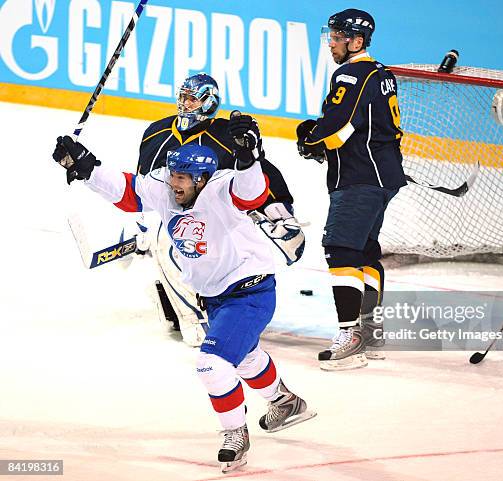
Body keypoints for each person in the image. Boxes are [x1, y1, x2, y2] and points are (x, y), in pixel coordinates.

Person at [52, 117, 315, 472]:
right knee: (245, 357)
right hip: (215, 295)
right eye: (172, 174)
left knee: (211, 364)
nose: (173, 183)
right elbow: (127, 191)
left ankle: (235, 434)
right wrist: (85, 166)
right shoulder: (165, 186)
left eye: (182, 178)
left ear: (201, 179)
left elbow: (250, 193)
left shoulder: (222, 188)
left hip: (250, 291)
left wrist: (248, 156)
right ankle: (285, 401)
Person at [136, 72, 305, 346]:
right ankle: (182, 310)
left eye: (192, 99)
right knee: (164, 239)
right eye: (183, 98)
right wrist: (142, 224)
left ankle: (207, 315)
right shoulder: (155, 133)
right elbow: (142, 186)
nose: (185, 104)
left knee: (188, 246)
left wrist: (280, 208)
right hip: (170, 214)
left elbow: (260, 173)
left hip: (216, 218)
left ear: (209, 103)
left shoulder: (227, 134)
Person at [295, 9, 406, 370]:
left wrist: (310, 138)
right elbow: (352, 127)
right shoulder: (381, 73)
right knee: (365, 251)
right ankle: (371, 332)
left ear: (357, 42)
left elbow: (338, 123)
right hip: (383, 175)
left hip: (361, 177)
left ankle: (351, 336)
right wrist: (322, 139)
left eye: (338, 37)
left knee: (340, 249)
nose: (332, 43)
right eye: (332, 35)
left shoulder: (351, 72)